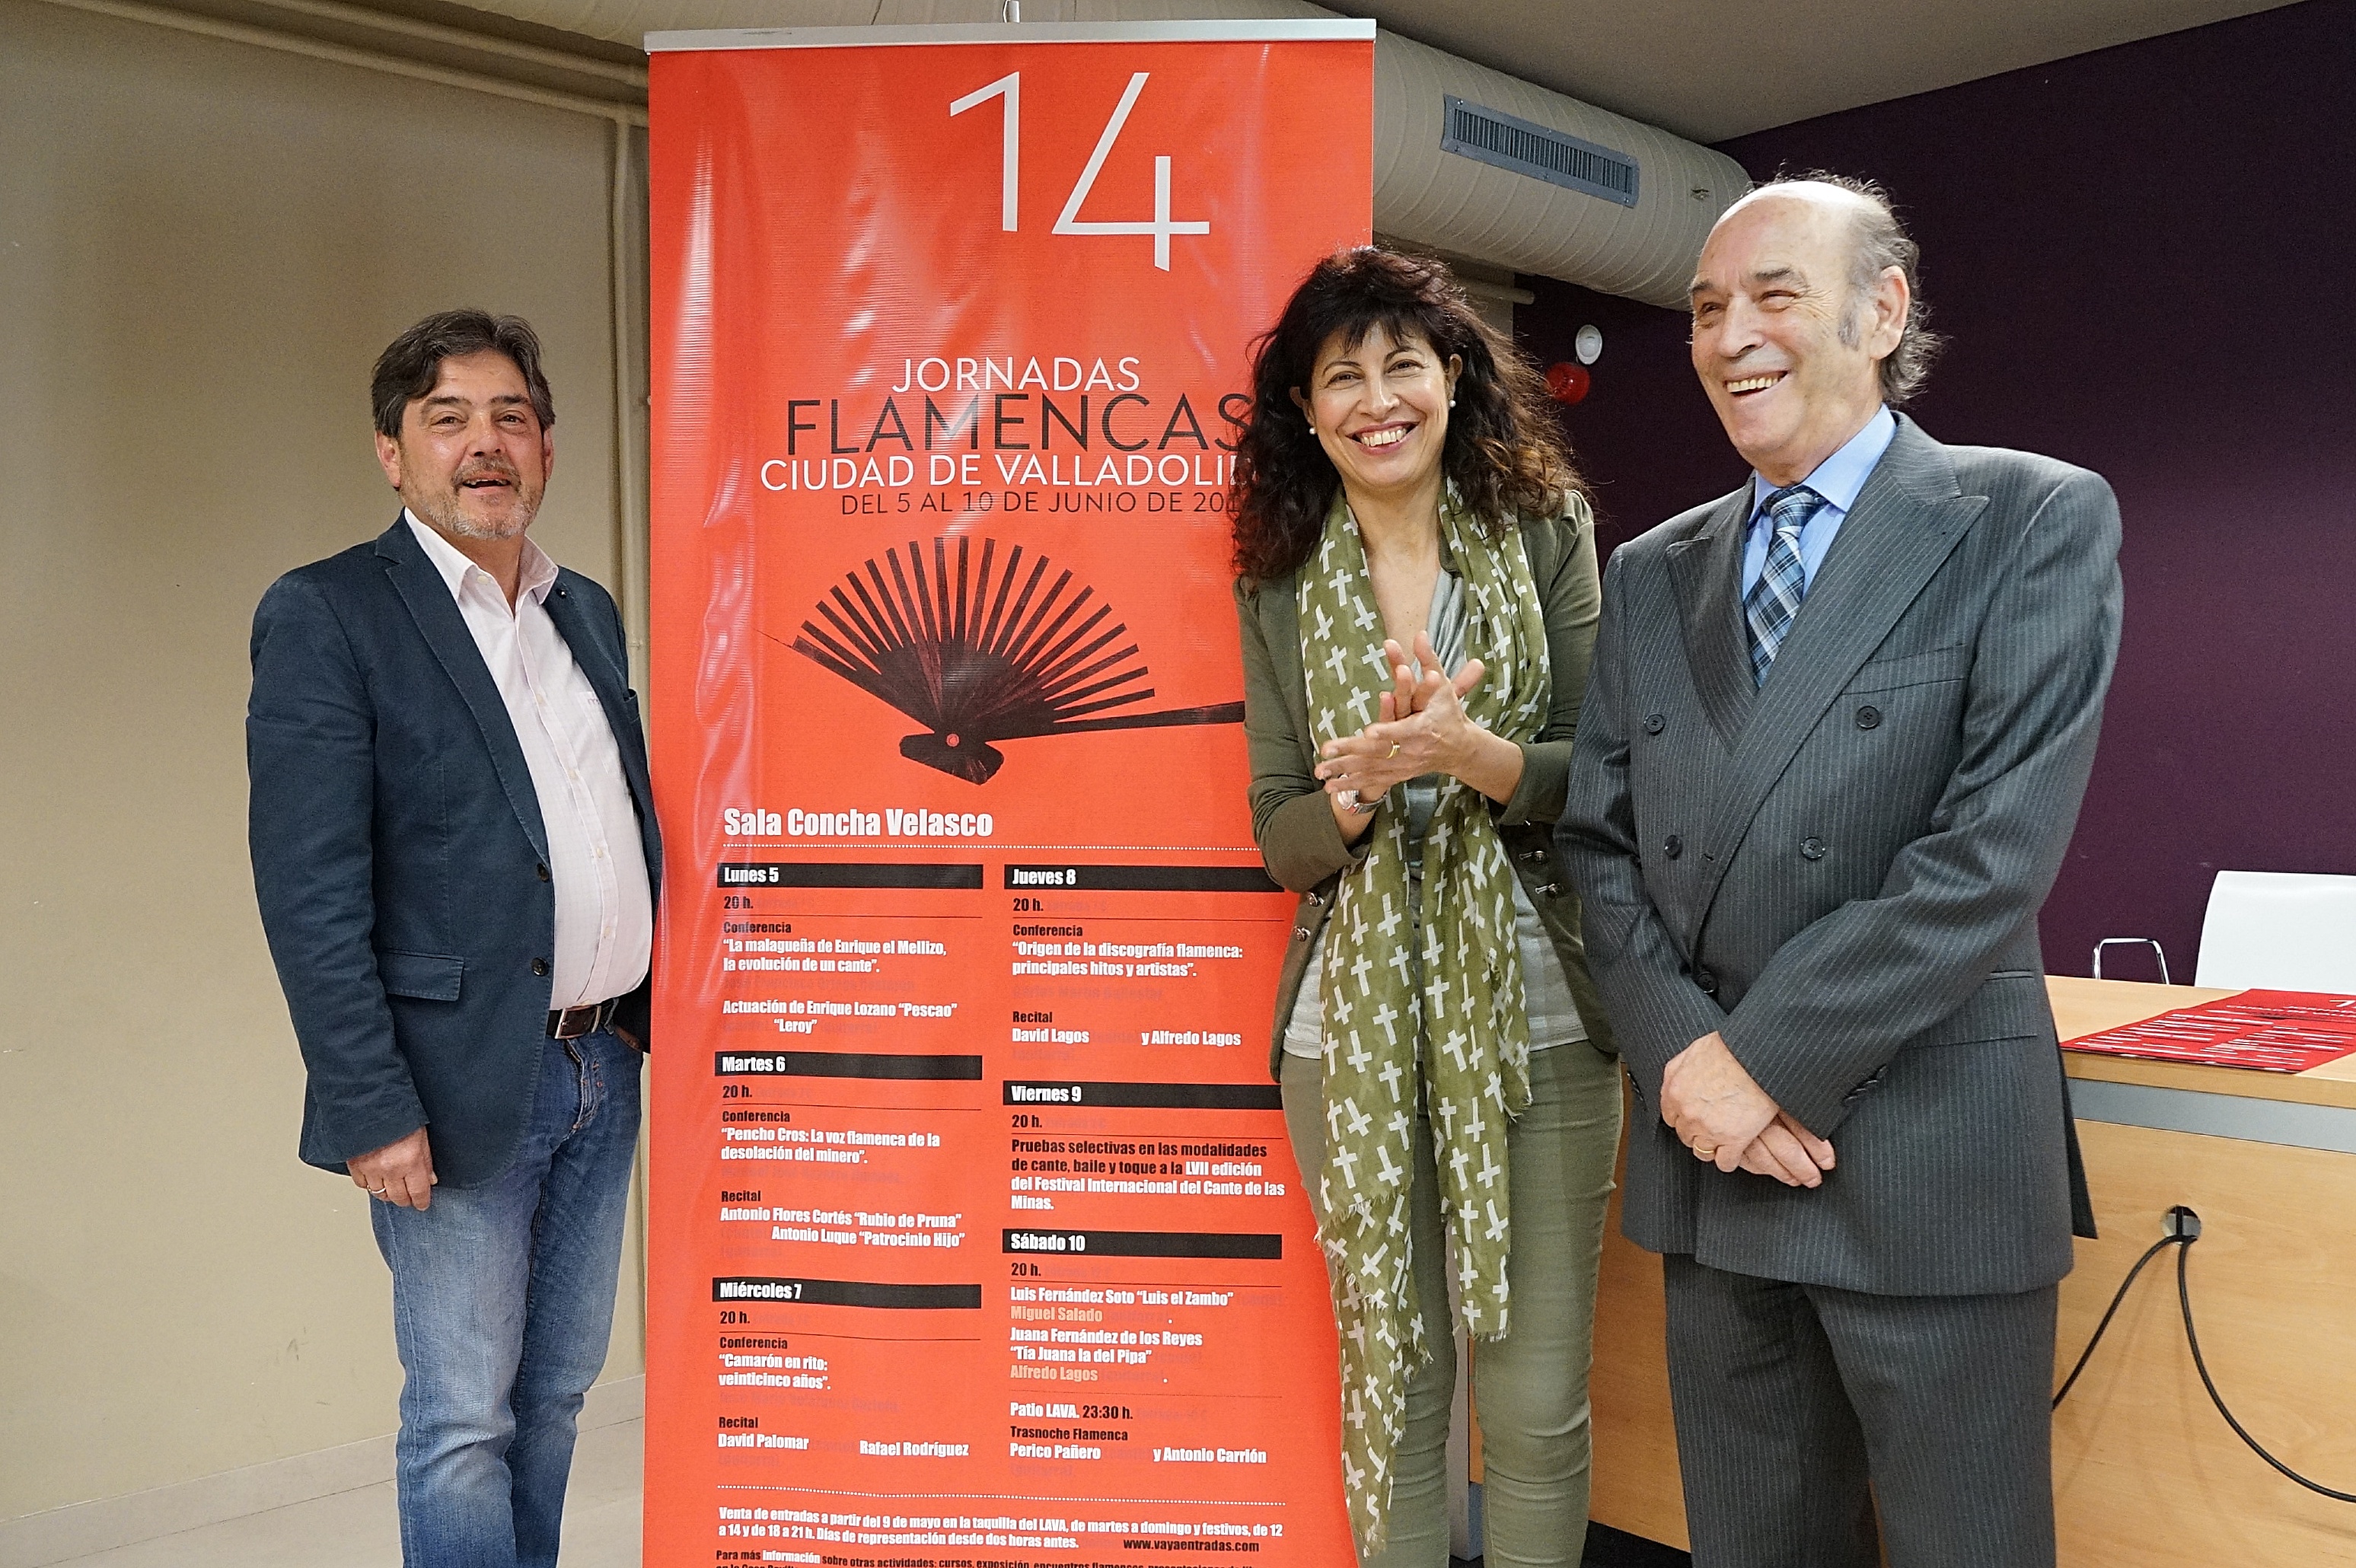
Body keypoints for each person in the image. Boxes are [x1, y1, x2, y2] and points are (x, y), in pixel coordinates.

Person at [1557, 177, 2121, 1568]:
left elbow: (1989, 856)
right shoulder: (1652, 570)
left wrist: (1758, 1066)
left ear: (1882, 312)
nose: (1729, 337)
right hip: (1717, 1168)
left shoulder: (2027, 518)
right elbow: (1600, 846)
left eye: (1774, 296)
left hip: (1925, 1158)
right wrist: (1687, 1062)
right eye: (1706, 310)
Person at [1229, 247, 1623, 1567]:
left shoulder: (1545, 530)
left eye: (1404, 364)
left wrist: (1471, 758)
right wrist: (1357, 790)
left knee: (1535, 1404)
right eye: (1341, 377)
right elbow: (1280, 831)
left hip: (1540, 1014)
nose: (1377, 399)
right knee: (1394, 1389)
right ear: (1305, 410)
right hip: (1345, 1028)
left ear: (1454, 376)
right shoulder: (1278, 579)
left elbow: (1602, 776)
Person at [247, 309, 660, 1568]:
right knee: (463, 1419)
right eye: (449, 419)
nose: (488, 444)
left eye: (511, 418)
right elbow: (310, 891)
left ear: (548, 446)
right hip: (453, 1086)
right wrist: (369, 1107)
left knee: (558, 1396)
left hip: (604, 1066)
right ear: (392, 452)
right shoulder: (331, 613)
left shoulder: (583, 609)